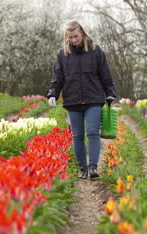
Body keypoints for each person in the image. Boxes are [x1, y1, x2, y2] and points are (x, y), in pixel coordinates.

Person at [47, 20, 116, 180]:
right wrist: (53, 94)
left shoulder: (95, 51)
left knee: (92, 133)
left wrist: (110, 92)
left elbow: (105, 75)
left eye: (75, 36)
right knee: (77, 136)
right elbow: (58, 77)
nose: (73, 40)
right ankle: (82, 169)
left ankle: (92, 167)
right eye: (70, 37)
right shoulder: (63, 54)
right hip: (73, 100)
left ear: (83, 33)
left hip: (93, 99)